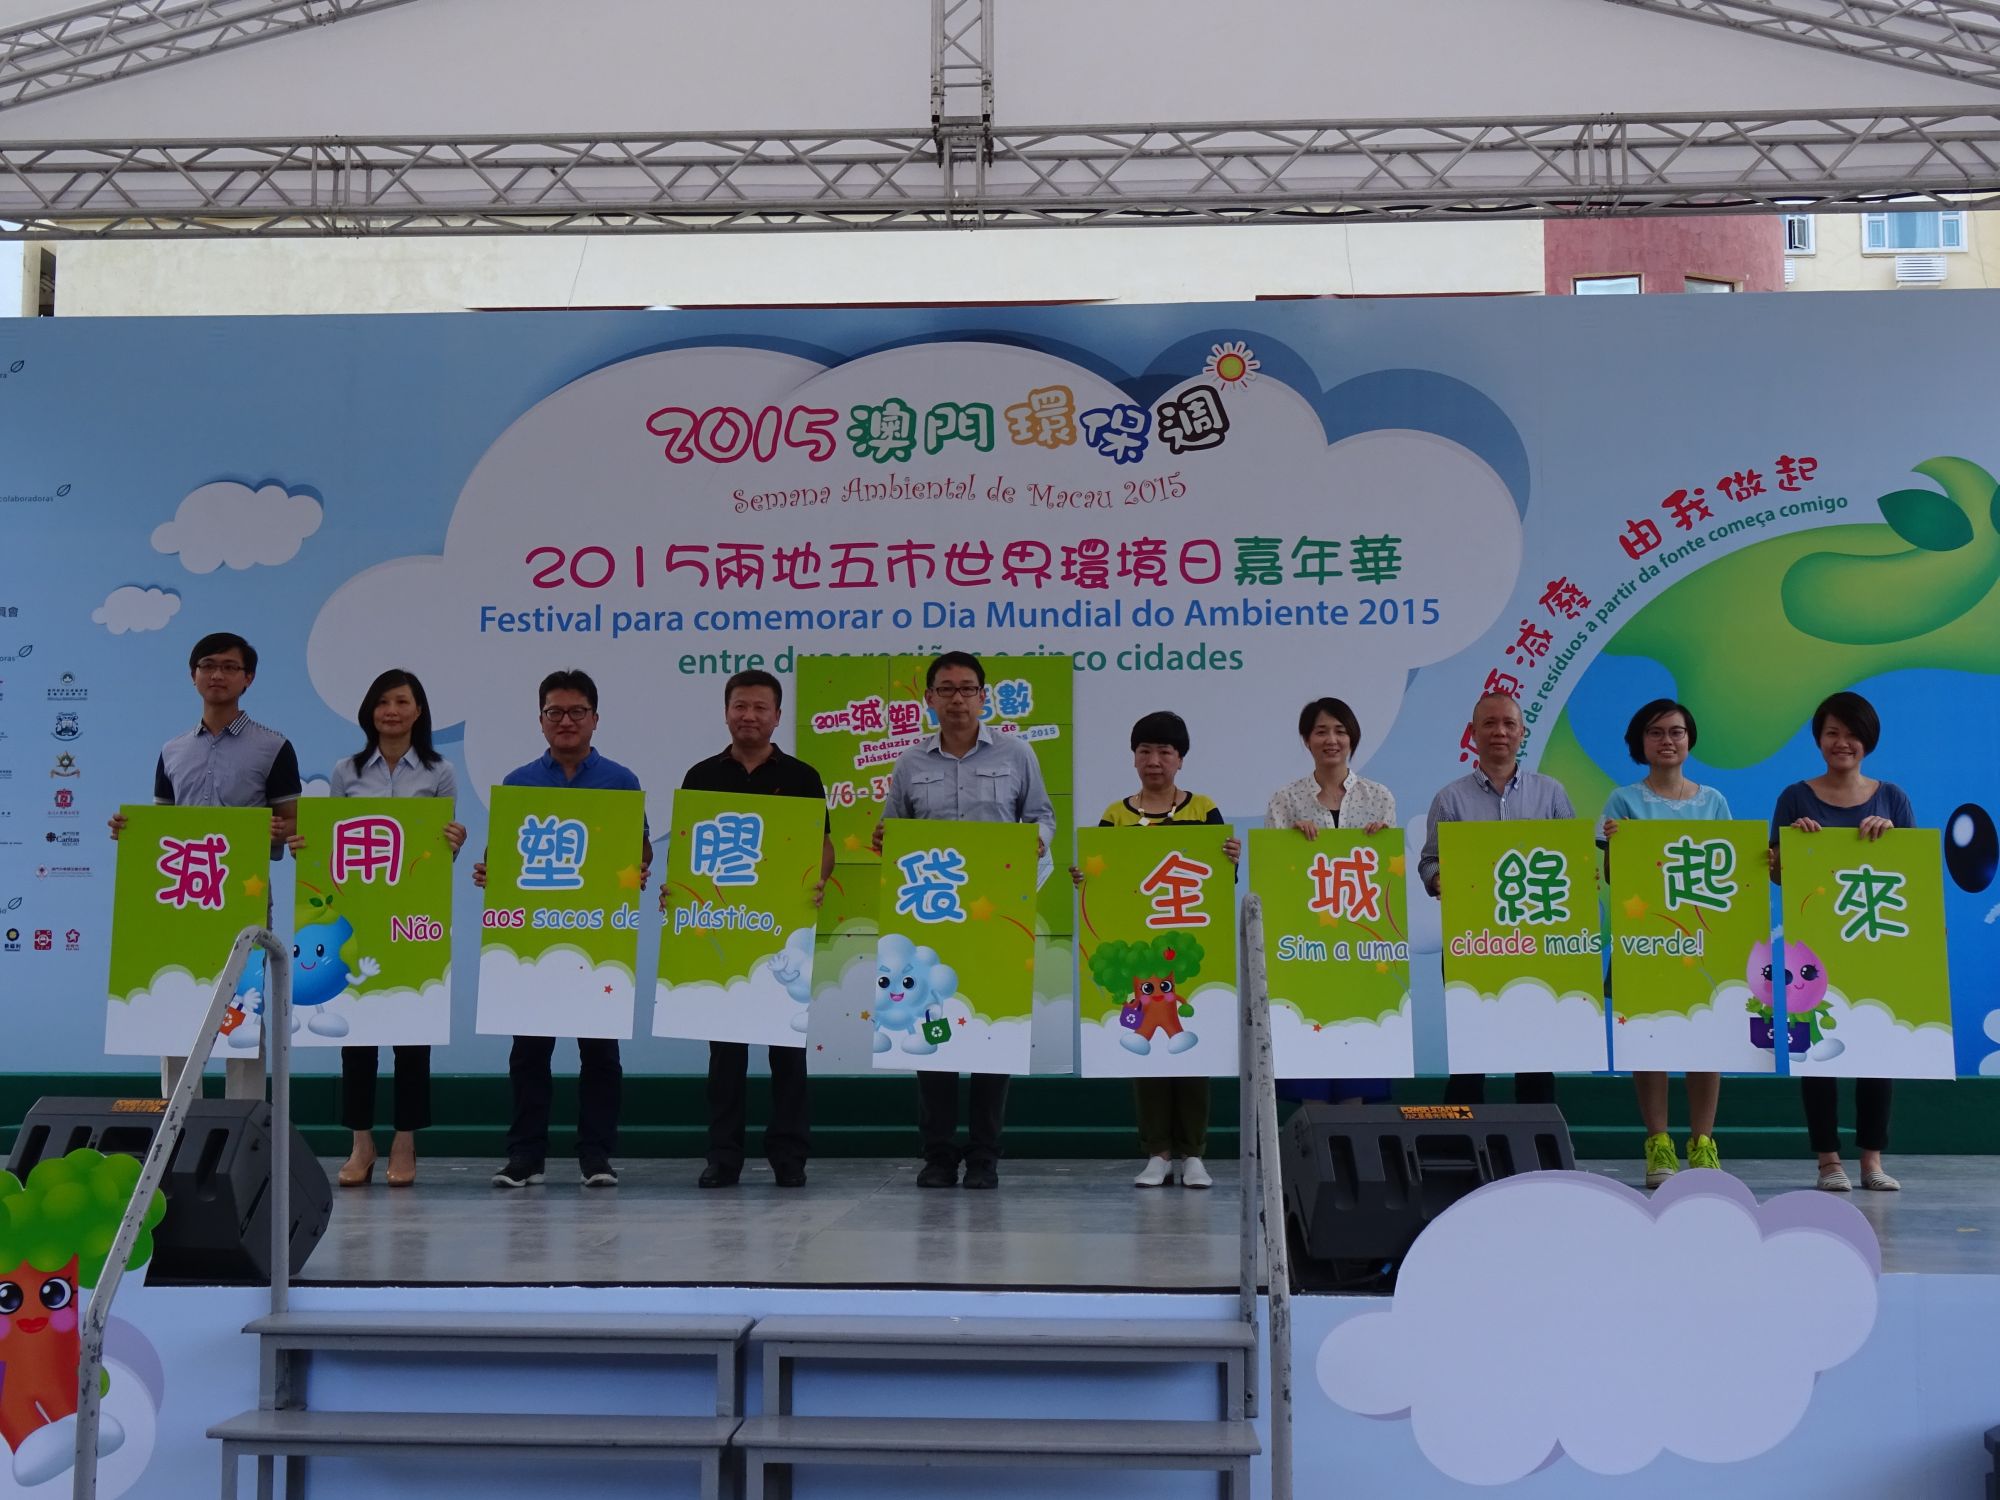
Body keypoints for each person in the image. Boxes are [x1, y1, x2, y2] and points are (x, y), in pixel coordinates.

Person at [873, 651, 1055, 1190]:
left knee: (992, 1035)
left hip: (997, 919)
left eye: (968, 688)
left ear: (983, 697)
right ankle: (937, 1154)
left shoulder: (1017, 754)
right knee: (932, 1031)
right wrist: (885, 840)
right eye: (947, 689)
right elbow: (893, 830)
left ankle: (983, 1156)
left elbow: (1041, 817)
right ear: (929, 698)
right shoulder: (910, 763)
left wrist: (1034, 844)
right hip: (930, 921)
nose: (958, 698)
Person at [475, 669, 651, 1190]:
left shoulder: (620, 781)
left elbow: (639, 851)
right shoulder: (519, 783)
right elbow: (501, 854)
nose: (566, 721)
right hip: (533, 937)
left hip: (598, 936)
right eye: (555, 712)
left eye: (577, 712)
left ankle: (596, 1156)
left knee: (600, 1053)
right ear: (541, 720)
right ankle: (525, 1156)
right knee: (529, 1052)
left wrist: (638, 868)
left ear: (595, 719)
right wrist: (490, 871)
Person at [109, 631, 301, 1101]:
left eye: (230, 667)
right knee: (175, 1002)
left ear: (247, 678)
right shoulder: (172, 751)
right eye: (208, 665)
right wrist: (130, 832)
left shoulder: (273, 747)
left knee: (244, 1006)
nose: (218, 675)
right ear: (193, 675)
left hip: (243, 894)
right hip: (181, 897)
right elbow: (162, 830)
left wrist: (277, 831)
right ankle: (177, 1127)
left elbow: (293, 823)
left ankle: (243, 1123)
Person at [297, 670, 466, 1188]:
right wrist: (309, 847)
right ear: (370, 711)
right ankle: (361, 1142)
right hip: (359, 916)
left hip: (412, 920)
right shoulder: (346, 771)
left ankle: (405, 1140)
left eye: (402, 701)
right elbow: (333, 840)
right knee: (358, 1033)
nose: (391, 711)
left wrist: (453, 843)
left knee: (413, 1032)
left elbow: (437, 855)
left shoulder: (440, 772)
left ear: (419, 711)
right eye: (382, 702)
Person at [677, 669, 834, 1190]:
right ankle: (723, 1156)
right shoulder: (701, 776)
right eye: (740, 706)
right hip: (724, 934)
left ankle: (790, 1156)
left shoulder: (802, 778)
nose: (749, 716)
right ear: (726, 712)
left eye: (760, 707)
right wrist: (678, 893)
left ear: (778, 716)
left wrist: (818, 881)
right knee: (725, 1056)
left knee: (788, 1052)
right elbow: (688, 854)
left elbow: (822, 846)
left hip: (783, 934)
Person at [1072, 711, 1241, 1190]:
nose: (1154, 760)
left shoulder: (1203, 808)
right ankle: (1157, 1153)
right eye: (1145, 751)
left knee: (1193, 1050)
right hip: (1141, 953)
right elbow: (1105, 883)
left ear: (1180, 759)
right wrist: (1086, 880)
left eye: (1165, 751)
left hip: (1191, 950)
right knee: (1145, 1050)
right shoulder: (1116, 815)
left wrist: (1230, 859)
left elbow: (1219, 880)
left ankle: (1194, 1154)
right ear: (1133, 758)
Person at [1768, 690, 1911, 1194]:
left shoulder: (1892, 798)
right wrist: (1795, 847)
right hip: (1815, 948)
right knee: (1819, 1049)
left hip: (1875, 942)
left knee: (1877, 1050)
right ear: (1818, 739)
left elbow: (1909, 874)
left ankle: (1872, 1159)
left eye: (1852, 734)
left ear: (1868, 740)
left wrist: (1891, 837)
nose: (1842, 743)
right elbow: (1778, 875)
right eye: (1832, 733)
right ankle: (1828, 1161)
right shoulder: (1795, 797)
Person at [1419, 690, 1576, 1105]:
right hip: (1473, 941)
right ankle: (1463, 1138)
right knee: (1470, 1052)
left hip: (1537, 942)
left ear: (1523, 732)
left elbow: (1572, 862)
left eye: (1508, 723)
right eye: (1489, 724)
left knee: (1536, 1052)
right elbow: (1429, 862)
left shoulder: (1552, 794)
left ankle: (1538, 1138)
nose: (1499, 732)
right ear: (1472, 734)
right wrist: (1440, 881)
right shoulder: (1450, 799)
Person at [1600, 698, 1729, 1189]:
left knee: (1705, 1040)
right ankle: (1658, 1143)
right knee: (1648, 1039)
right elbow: (1613, 876)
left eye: (1676, 731)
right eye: (1655, 732)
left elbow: (1730, 869)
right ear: (1641, 742)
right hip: (1645, 941)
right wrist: (1616, 845)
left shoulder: (1713, 802)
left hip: (1703, 939)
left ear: (1689, 739)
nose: (1667, 741)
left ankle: (1703, 1142)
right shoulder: (1622, 801)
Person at [1265, 696, 1397, 1110]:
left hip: (1361, 951)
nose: (1331, 740)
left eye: (1340, 731)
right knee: (1311, 1057)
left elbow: (1388, 879)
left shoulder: (1379, 798)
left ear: (1352, 738)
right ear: (1307, 740)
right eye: (1321, 731)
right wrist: (1290, 844)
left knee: (1359, 1054)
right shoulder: (1285, 800)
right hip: (1307, 950)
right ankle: (1313, 1141)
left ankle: (1352, 1143)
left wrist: (1383, 845)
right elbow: (1274, 876)